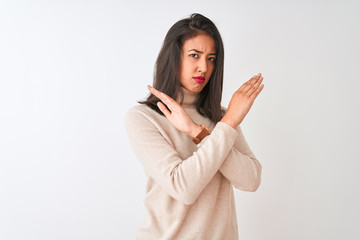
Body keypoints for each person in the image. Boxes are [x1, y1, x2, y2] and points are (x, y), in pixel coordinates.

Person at [124, 13, 264, 240]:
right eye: (194, 55)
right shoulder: (143, 117)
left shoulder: (221, 118)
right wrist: (226, 126)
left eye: (211, 58)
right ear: (173, 58)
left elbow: (251, 180)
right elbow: (183, 188)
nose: (204, 67)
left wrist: (198, 132)